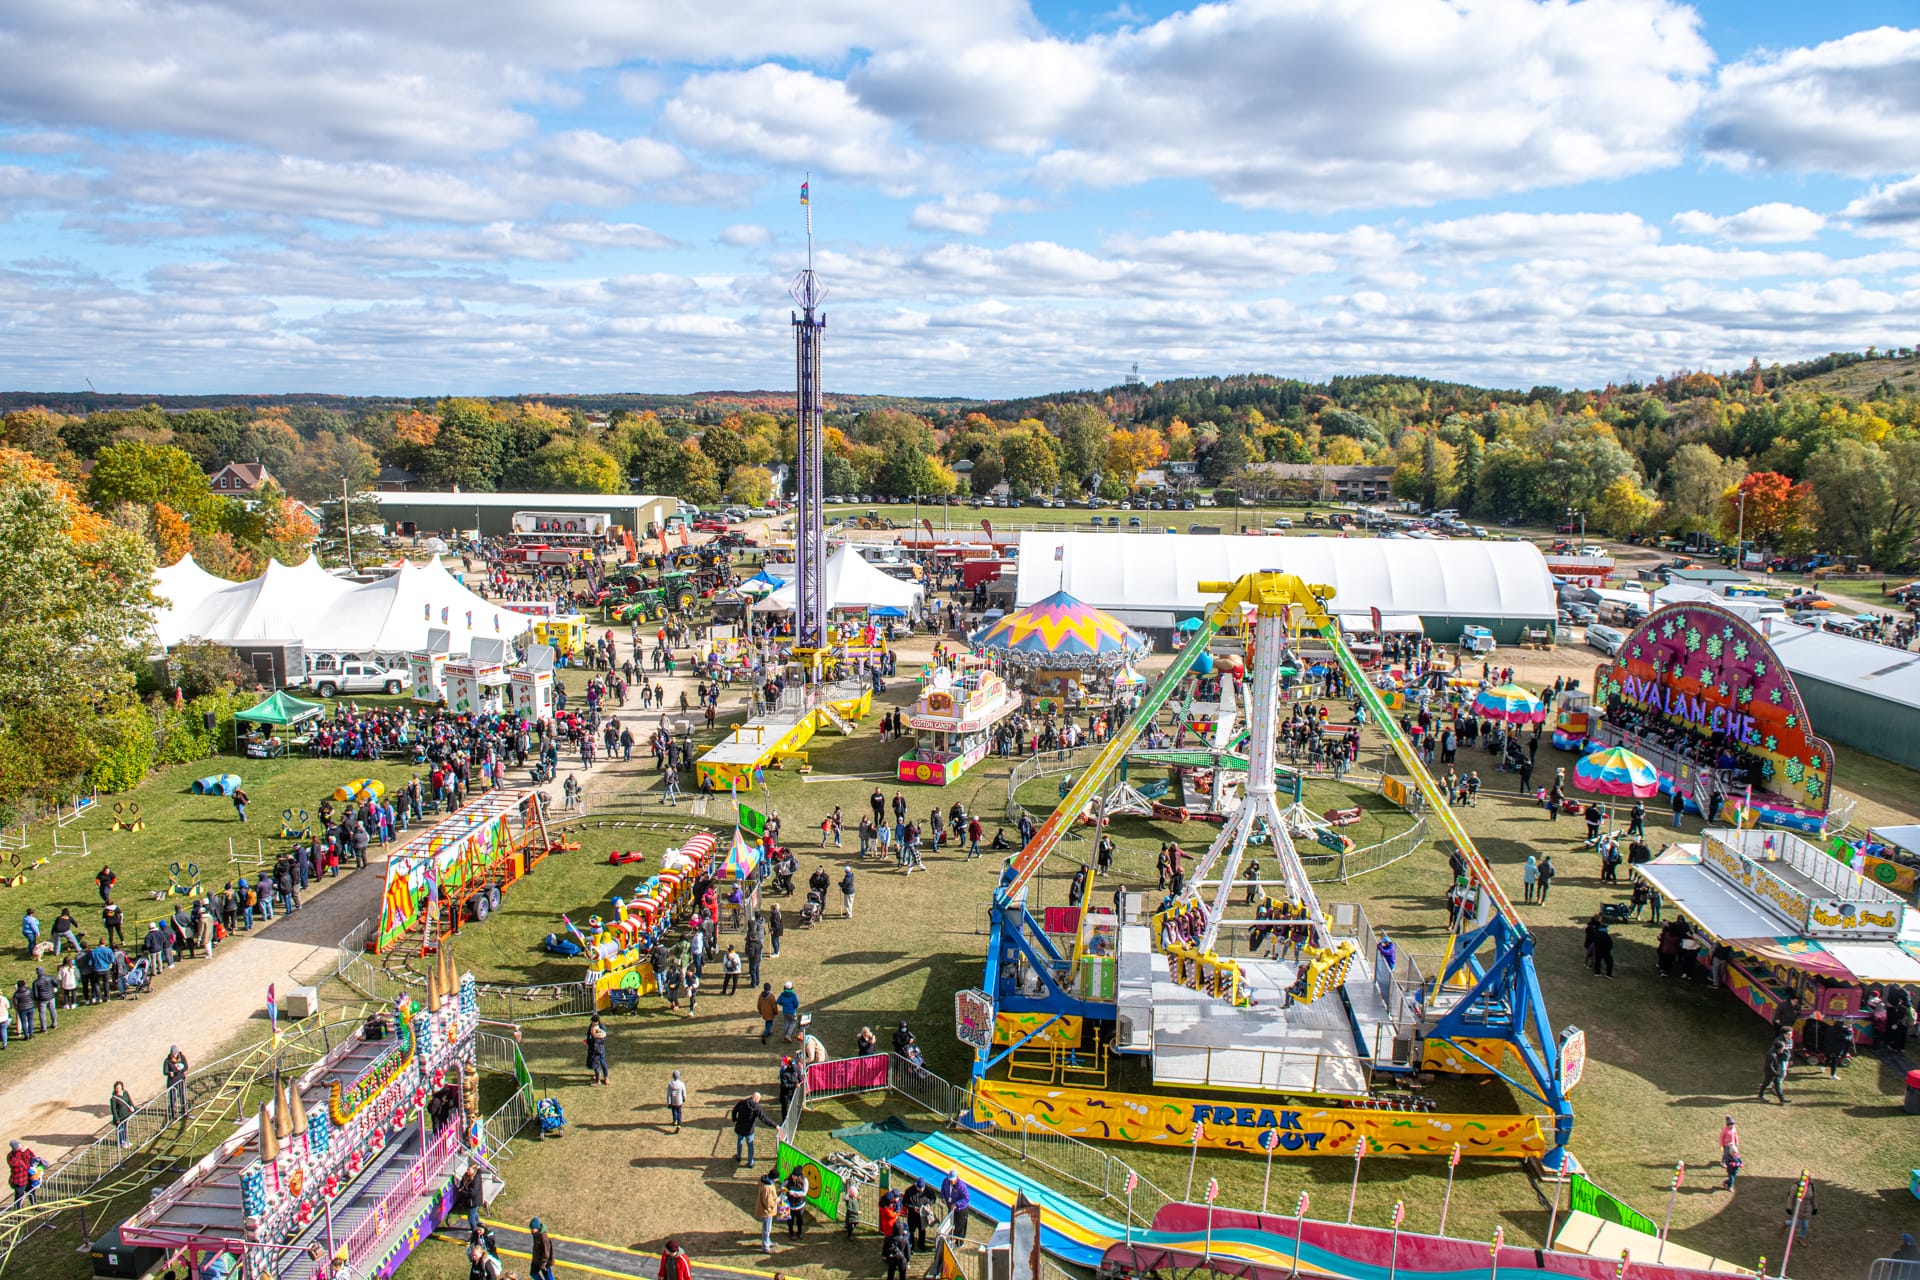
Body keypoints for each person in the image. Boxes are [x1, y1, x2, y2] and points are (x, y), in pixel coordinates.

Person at [729, 1092, 776, 1167]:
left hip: (739, 1128)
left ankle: (738, 1156)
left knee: (740, 1141)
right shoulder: (757, 1108)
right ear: (757, 1100)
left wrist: (734, 1120)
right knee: (750, 1145)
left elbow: (734, 1111)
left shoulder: (742, 1103)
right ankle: (750, 1162)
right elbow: (764, 1119)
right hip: (749, 1131)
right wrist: (775, 1126)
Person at [940, 1168, 972, 1239]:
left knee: (960, 1226)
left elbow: (966, 1198)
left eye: (952, 1180)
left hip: (961, 1209)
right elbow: (943, 1188)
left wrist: (957, 1204)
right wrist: (942, 1196)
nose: (951, 1181)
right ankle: (951, 1238)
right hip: (951, 1208)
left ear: (956, 1178)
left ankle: (959, 1242)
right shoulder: (946, 1181)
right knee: (951, 1224)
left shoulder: (961, 1186)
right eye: (950, 1180)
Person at [7, 1139, 38, 1209]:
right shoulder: (11, 1156)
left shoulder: (25, 1151)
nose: (20, 1148)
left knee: (32, 1192)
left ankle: (35, 1206)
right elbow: (13, 1163)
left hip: (28, 1177)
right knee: (19, 1197)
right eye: (18, 1147)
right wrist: (19, 1152)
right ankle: (18, 1211)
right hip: (19, 1180)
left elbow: (33, 1157)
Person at [754, 1170, 780, 1253]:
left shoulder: (764, 1179)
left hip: (765, 1209)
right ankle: (765, 1246)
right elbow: (769, 1203)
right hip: (767, 1211)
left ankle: (767, 1242)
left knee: (767, 1228)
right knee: (767, 1229)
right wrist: (778, 1200)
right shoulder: (767, 1188)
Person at [164, 1046, 190, 1120]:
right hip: (172, 1082)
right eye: (173, 1054)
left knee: (183, 1096)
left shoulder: (182, 1057)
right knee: (173, 1098)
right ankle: (173, 1114)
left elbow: (186, 1067)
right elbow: (165, 1071)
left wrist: (180, 1069)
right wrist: (170, 1073)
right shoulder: (167, 1061)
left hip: (181, 1079)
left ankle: (185, 1112)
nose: (174, 1055)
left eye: (175, 1054)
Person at [882, 1216, 912, 1280]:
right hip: (902, 1259)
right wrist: (908, 1261)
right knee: (902, 1275)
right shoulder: (905, 1240)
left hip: (892, 1259)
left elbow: (884, 1251)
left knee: (890, 1274)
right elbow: (908, 1252)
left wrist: (885, 1257)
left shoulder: (888, 1239)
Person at [784, 1166, 809, 1237]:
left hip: (800, 1205)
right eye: (793, 1175)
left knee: (799, 1220)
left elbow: (804, 1193)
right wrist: (785, 1191)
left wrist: (794, 1193)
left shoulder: (805, 1180)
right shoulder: (788, 1180)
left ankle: (799, 1232)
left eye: (795, 1176)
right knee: (790, 1220)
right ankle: (791, 1232)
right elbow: (783, 1186)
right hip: (790, 1204)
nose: (793, 1177)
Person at [584, 1014, 609, 1084]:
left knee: (602, 1061)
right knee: (596, 1062)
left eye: (593, 1022)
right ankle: (598, 1075)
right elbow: (589, 1034)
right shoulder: (591, 1025)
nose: (592, 1023)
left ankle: (606, 1076)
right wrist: (588, 1041)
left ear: (597, 1021)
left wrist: (595, 1036)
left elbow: (603, 1036)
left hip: (600, 1047)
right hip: (593, 1046)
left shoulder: (602, 1027)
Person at [111, 1081, 135, 1147]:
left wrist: (133, 1107)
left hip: (126, 1115)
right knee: (120, 1130)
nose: (118, 1089)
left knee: (125, 1129)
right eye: (117, 1088)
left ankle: (126, 1141)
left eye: (119, 1087)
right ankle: (121, 1142)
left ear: (122, 1087)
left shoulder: (125, 1093)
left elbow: (130, 1101)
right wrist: (117, 1119)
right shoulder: (114, 1098)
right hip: (119, 1117)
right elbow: (113, 1110)